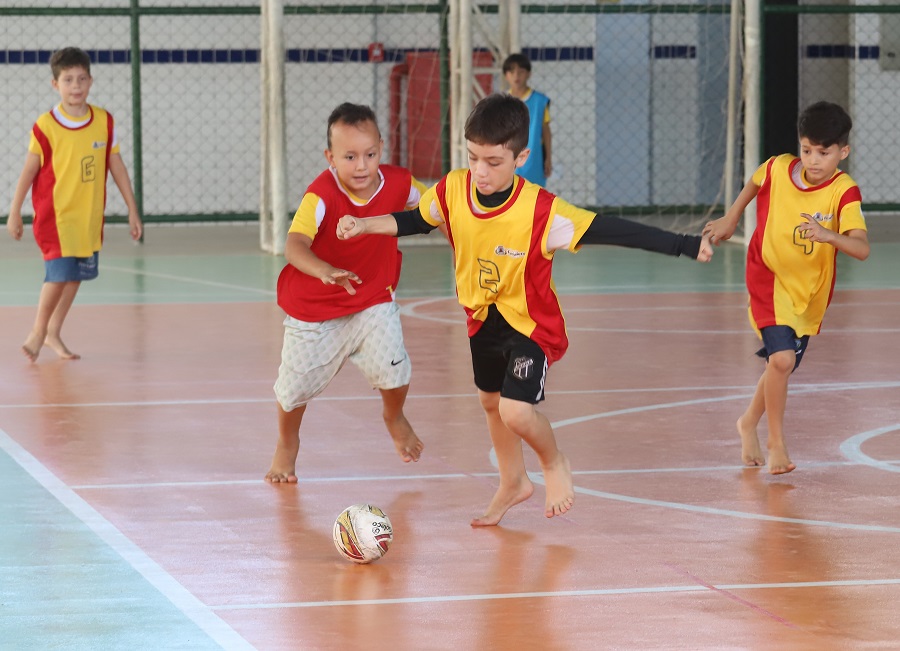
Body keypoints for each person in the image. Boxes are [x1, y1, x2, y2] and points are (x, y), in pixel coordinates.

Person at [337, 94, 713, 525]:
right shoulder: (453, 189)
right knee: (490, 402)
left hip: (531, 327)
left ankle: (554, 463)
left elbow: (614, 230)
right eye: (473, 157)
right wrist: (366, 225)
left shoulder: (542, 211)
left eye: (493, 161)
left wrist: (683, 244)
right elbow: (418, 220)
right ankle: (512, 481)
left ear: (522, 157)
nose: (480, 170)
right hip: (481, 319)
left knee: (516, 411)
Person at [703, 101, 869, 475]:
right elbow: (755, 182)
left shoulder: (844, 192)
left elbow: (861, 248)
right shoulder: (778, 168)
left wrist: (829, 235)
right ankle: (777, 443)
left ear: (843, 152)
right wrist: (731, 218)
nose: (813, 160)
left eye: (823, 153)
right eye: (807, 149)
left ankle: (747, 422)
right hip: (767, 275)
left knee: (780, 367)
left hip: (809, 294)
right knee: (781, 360)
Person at [266, 102, 426, 484]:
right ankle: (287, 443)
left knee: (395, 367)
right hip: (316, 308)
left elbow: (438, 210)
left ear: (382, 149)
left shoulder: (401, 184)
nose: (361, 166)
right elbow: (295, 246)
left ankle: (393, 414)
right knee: (293, 390)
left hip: (371, 298)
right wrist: (325, 271)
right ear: (330, 157)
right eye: (350, 156)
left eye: (370, 154)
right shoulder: (320, 196)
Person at [6, 47, 143, 362]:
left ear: (91, 81)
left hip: (88, 218)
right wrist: (15, 212)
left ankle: (54, 331)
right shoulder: (46, 126)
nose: (76, 85)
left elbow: (117, 166)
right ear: (56, 85)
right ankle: (38, 332)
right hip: (56, 218)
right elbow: (29, 170)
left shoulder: (104, 122)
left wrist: (133, 210)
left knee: (75, 275)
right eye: (68, 80)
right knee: (58, 274)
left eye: (81, 78)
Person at [502, 53, 552, 186]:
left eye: (521, 71)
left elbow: (546, 130)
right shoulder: (501, 101)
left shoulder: (540, 101)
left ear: (529, 74)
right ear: (506, 75)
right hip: (508, 157)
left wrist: (548, 159)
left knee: (534, 196)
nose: (516, 75)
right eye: (512, 72)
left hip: (534, 159)